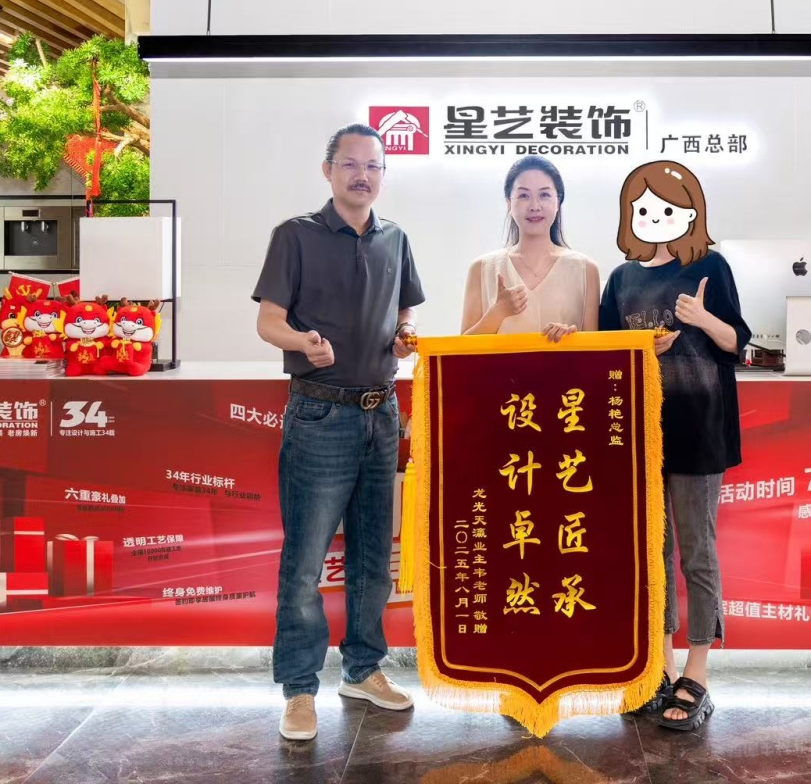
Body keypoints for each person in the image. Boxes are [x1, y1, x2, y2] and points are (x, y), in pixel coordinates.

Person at [253, 124, 423, 741]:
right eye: (350, 164)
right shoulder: (295, 235)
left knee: (374, 558)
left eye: (373, 166)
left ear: (383, 175)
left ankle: (363, 669)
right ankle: (300, 689)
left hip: (382, 413)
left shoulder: (395, 238)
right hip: (318, 413)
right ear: (328, 170)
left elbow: (404, 314)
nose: (362, 175)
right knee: (305, 561)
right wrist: (303, 342)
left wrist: (404, 338)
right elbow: (269, 321)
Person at [598, 161, 750, 732]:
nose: (654, 217)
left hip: (700, 429)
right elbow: (605, 353)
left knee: (697, 551)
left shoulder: (710, 265)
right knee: (654, 554)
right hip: (641, 434)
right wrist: (642, 347)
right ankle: (659, 670)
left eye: (667, 208)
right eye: (643, 209)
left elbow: (737, 343)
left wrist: (704, 319)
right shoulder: (621, 279)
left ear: (690, 213)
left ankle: (698, 674)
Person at [461, 156, 599, 342]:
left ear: (558, 202)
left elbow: (594, 349)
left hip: (565, 363)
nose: (535, 206)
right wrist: (497, 312)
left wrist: (571, 339)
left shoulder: (585, 269)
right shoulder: (482, 268)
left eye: (544, 195)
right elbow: (460, 349)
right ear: (509, 204)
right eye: (524, 196)